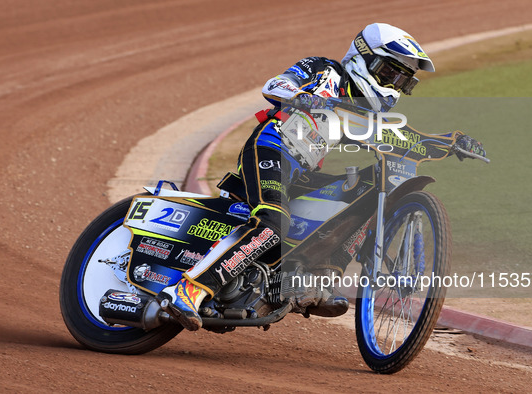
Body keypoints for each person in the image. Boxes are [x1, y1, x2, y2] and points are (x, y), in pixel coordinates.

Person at [156, 23, 486, 331]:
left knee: (368, 189)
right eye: (387, 73)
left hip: (302, 174)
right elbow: (274, 85)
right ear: (363, 58)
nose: (391, 86)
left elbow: (407, 137)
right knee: (273, 224)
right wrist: (302, 96)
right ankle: (188, 289)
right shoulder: (323, 69)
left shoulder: (369, 113)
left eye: (401, 82)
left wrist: (452, 142)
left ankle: (322, 274)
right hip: (273, 149)